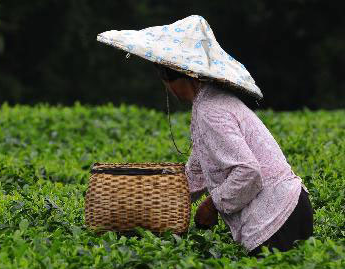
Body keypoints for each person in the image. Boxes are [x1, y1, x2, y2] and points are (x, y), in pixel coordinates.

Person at [97, 15, 313, 255]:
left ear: (178, 76)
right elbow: (197, 172)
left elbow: (249, 172)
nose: (166, 87)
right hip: (291, 208)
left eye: (164, 78)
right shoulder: (206, 104)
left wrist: (212, 205)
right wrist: (148, 204)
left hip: (277, 217)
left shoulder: (211, 111)